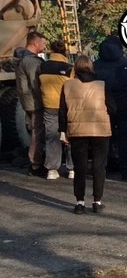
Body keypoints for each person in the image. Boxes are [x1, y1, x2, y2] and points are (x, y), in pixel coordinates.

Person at [58, 53, 116, 214]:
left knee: (80, 167)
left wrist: (63, 130)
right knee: (99, 166)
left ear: (75, 68)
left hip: (77, 131)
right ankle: (97, 201)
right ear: (91, 67)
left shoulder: (67, 85)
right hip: (100, 130)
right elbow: (113, 108)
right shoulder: (102, 85)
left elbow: (62, 111)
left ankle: (80, 203)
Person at [94, 34, 127, 180]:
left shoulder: (96, 65)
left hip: (103, 104)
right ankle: (126, 170)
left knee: (104, 137)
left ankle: (105, 167)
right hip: (126, 104)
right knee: (126, 137)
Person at [39, 39, 74, 180]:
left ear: (52, 51)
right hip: (66, 106)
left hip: (49, 105)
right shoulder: (69, 68)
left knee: (51, 137)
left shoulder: (42, 66)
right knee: (70, 136)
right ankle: (72, 168)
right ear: (65, 52)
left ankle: (52, 170)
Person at [15, 29, 47, 176]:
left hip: (28, 101)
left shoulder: (23, 59)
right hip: (35, 102)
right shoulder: (31, 61)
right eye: (43, 43)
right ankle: (35, 164)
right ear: (35, 43)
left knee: (35, 131)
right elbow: (36, 84)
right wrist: (44, 99)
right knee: (37, 132)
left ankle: (35, 161)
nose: (45, 46)